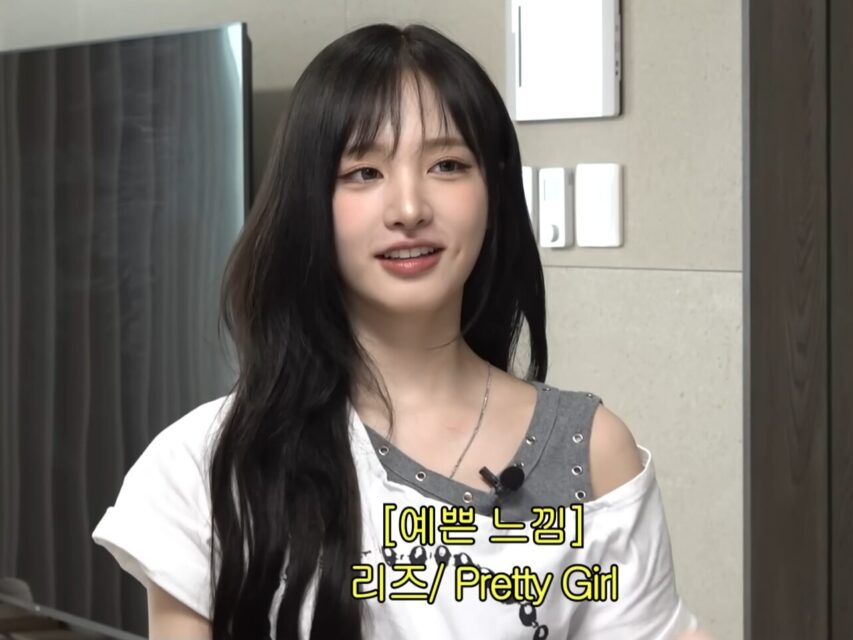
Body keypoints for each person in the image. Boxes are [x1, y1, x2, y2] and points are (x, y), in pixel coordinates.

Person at [92, 22, 710, 640]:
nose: (409, 209)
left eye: (447, 164)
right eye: (364, 171)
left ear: (493, 192)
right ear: (309, 202)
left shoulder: (591, 453)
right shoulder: (207, 465)